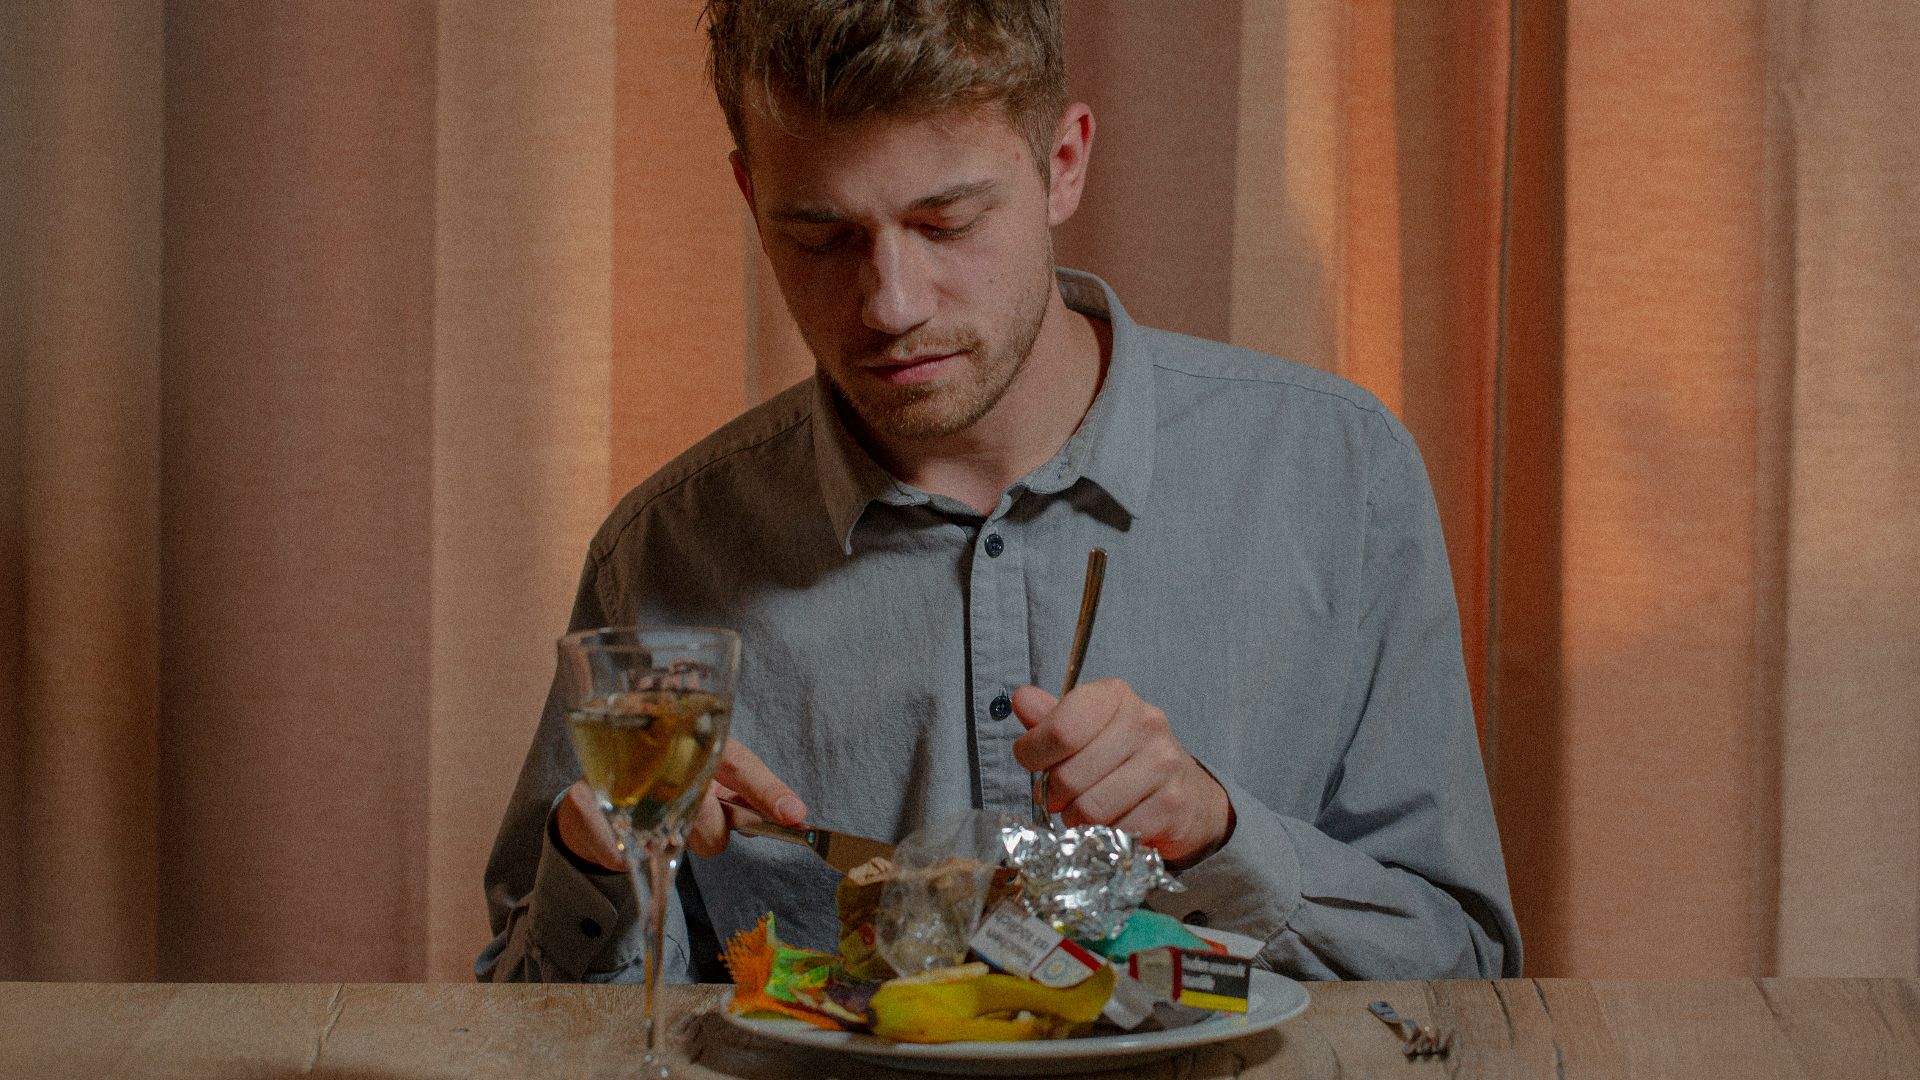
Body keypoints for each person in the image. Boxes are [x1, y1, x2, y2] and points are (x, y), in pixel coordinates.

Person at [479, 0, 1520, 985]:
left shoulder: (1340, 475)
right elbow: (526, 1035)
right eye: (821, 236)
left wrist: (1219, 834)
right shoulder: (664, 554)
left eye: (947, 224)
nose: (889, 304)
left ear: (1063, 165)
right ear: (753, 199)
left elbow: (1467, 976)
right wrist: (605, 860)